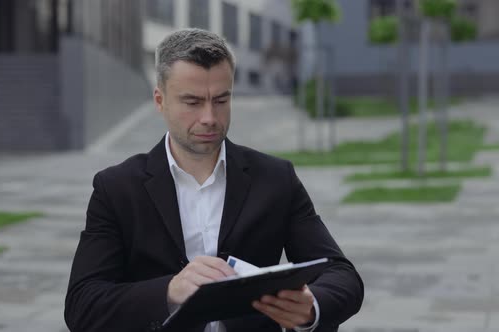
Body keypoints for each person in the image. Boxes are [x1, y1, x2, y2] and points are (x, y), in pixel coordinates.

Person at [64, 28, 363, 332]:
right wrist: (170, 290)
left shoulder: (276, 179)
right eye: (192, 102)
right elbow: (82, 306)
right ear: (160, 100)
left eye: (221, 100)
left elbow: (342, 275)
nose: (209, 117)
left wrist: (310, 308)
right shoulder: (116, 188)